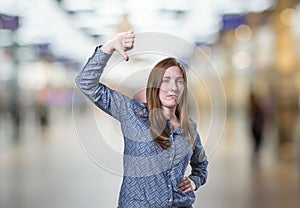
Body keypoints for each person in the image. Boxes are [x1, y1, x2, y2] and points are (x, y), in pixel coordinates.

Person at [75, 30, 208, 208]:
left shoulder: (189, 127)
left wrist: (194, 181)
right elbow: (86, 82)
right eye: (166, 80)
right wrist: (109, 47)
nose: (173, 88)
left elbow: (201, 164)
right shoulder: (132, 113)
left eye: (179, 81)